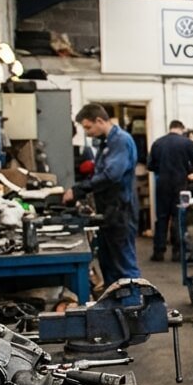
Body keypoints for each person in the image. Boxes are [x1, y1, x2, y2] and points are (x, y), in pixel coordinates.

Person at [65, 103, 139, 285]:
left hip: (121, 210)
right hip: (109, 210)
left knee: (123, 265)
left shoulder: (120, 140)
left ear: (99, 120)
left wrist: (78, 190)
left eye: (88, 127)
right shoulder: (107, 143)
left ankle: (134, 308)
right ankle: (116, 307)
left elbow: (112, 175)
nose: (87, 132)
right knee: (110, 264)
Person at [146, 120, 193, 261]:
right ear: (181, 129)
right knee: (179, 217)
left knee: (162, 218)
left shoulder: (157, 143)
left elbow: (150, 166)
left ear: (170, 128)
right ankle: (178, 253)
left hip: (162, 184)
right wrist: (187, 168)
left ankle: (158, 252)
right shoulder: (186, 143)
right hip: (180, 184)